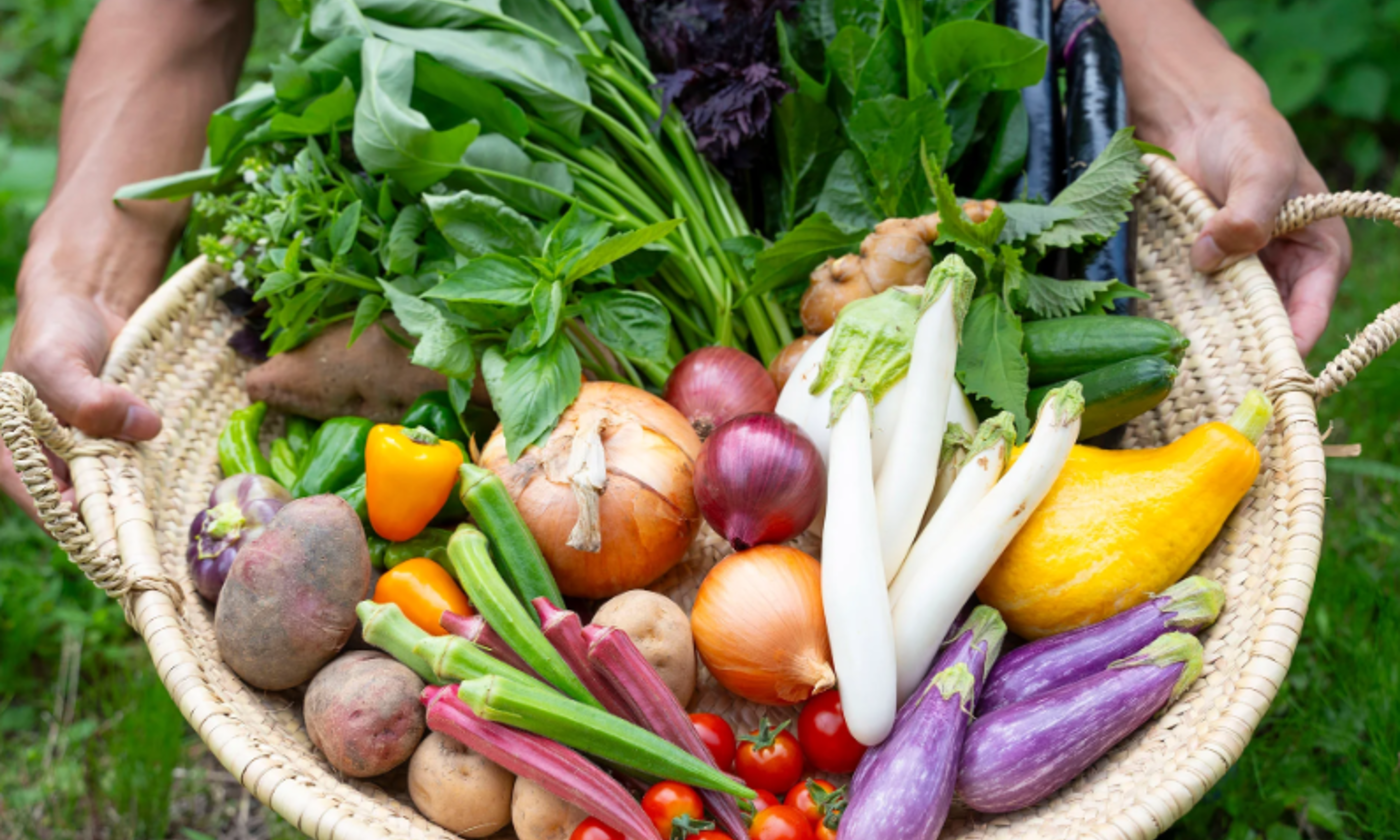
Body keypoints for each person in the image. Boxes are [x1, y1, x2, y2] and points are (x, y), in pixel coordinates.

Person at [0, 0, 1352, 520]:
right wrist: (90, 259)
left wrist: (1190, 73)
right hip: (533, 122)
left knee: (1015, 494)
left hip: (904, 100)